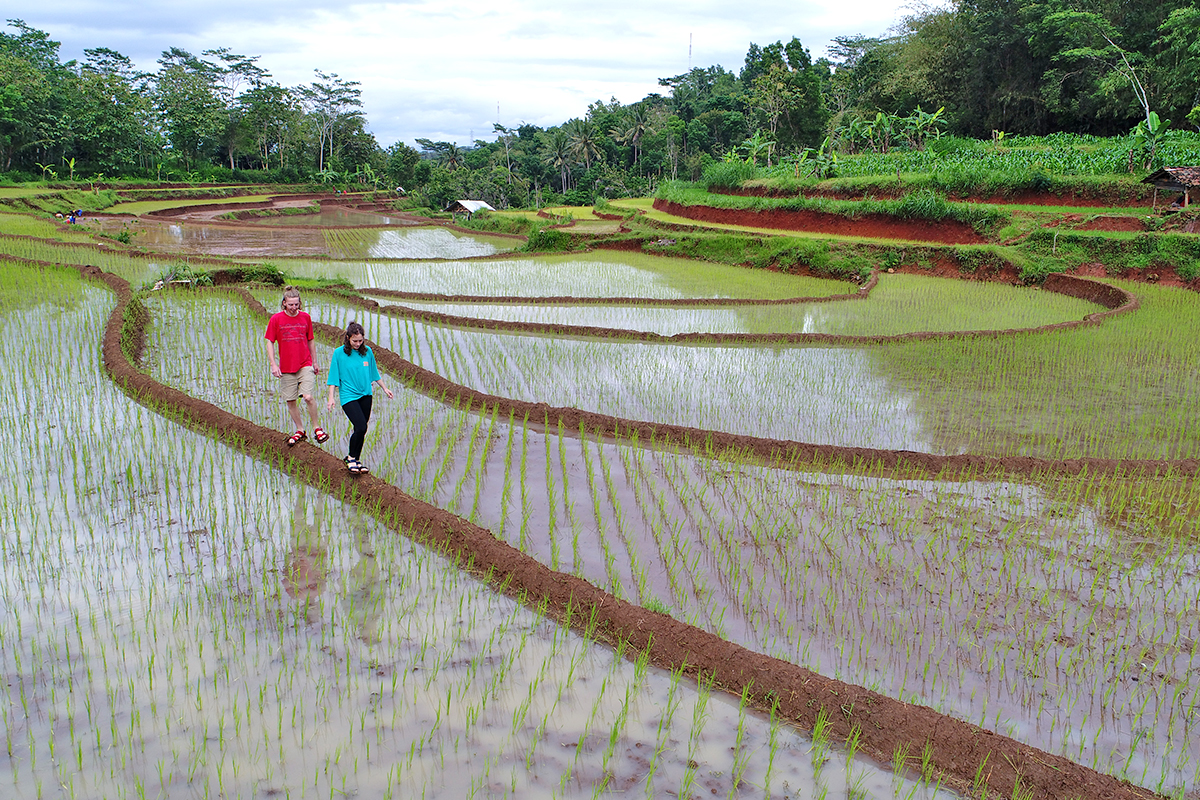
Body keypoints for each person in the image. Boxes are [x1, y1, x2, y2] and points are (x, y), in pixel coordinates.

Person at [265, 286, 329, 447]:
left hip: (304, 363)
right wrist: (273, 364)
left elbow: (311, 340)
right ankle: (300, 429)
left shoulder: (305, 318)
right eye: (290, 304)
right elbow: (270, 342)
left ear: (300, 303)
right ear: (284, 303)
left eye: (296, 304)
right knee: (291, 400)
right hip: (286, 367)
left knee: (307, 396)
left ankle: (317, 428)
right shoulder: (276, 319)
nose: (293, 308)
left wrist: (315, 361)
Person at [326, 321, 392, 474]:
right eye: (354, 341)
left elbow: (374, 373)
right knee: (361, 426)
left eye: (360, 341)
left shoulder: (367, 352)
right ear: (348, 338)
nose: (357, 344)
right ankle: (350, 458)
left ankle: (355, 459)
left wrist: (384, 388)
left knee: (361, 429)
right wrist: (331, 397)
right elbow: (333, 377)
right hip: (349, 395)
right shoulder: (339, 353)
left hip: (366, 394)